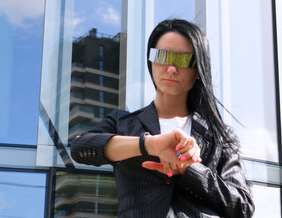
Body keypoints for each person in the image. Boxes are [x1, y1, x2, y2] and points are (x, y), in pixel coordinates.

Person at [71, 18, 255, 217]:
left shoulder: (220, 135)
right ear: (151, 61)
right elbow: (81, 148)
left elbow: (242, 206)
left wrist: (190, 169)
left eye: (183, 60)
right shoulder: (122, 123)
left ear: (198, 71)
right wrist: (149, 145)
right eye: (161, 56)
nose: (171, 68)